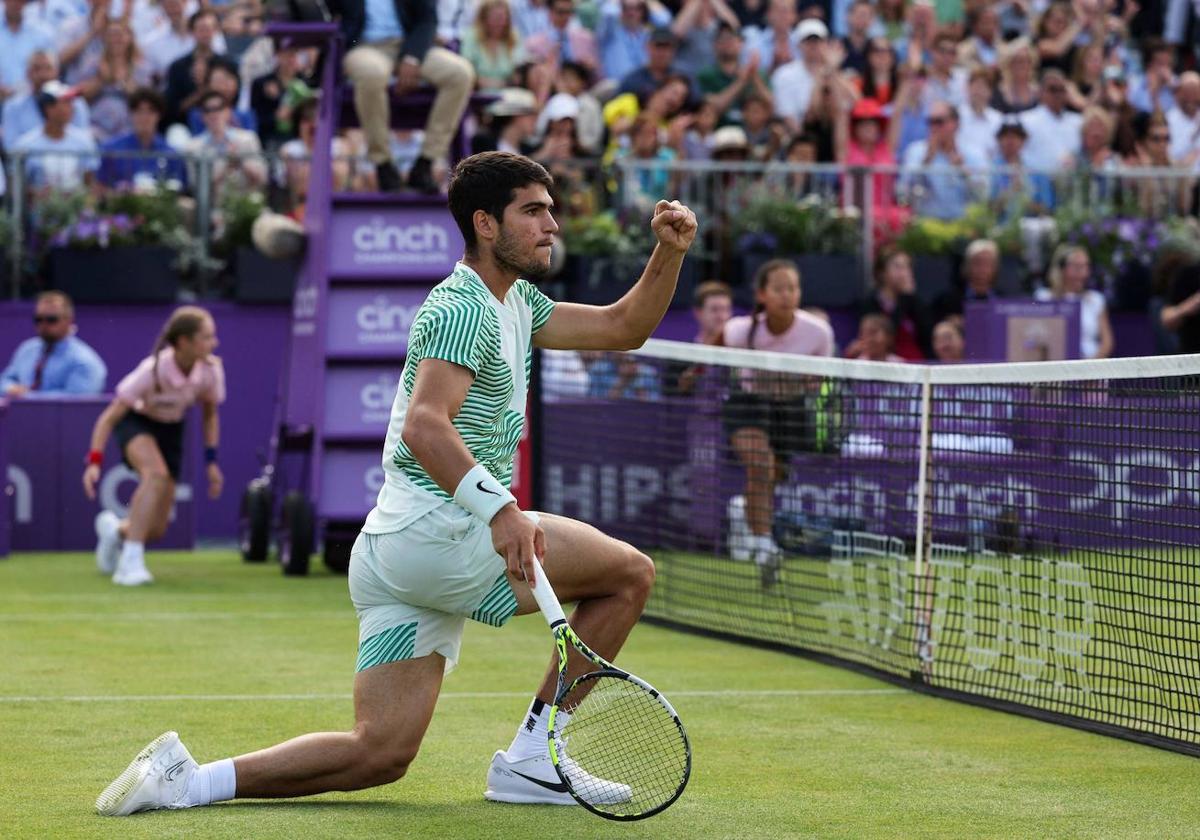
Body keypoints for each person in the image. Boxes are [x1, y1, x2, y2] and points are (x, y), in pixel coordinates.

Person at [93, 152, 698, 816]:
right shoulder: (464, 307)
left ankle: (189, 781)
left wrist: (668, 252)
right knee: (629, 574)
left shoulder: (518, 301)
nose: (551, 223)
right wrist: (500, 510)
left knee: (378, 753)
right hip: (445, 533)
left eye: (551, 209)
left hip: (392, 553)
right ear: (486, 225)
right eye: (533, 210)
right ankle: (533, 756)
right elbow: (425, 426)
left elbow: (624, 327)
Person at [82, 306, 225, 587]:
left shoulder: (211, 371)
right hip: (138, 424)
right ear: (184, 342)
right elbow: (108, 418)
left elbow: (209, 414)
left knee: (156, 529)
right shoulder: (152, 371)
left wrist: (211, 461)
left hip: (172, 431)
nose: (214, 343)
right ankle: (129, 565)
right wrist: (94, 462)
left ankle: (115, 532)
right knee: (155, 474)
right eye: (207, 337)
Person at [718, 258, 834, 588]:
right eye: (780, 289)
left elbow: (822, 381)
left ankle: (748, 516)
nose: (788, 295)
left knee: (772, 477)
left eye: (793, 288)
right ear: (763, 294)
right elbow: (712, 351)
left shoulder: (818, 333)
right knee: (761, 466)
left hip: (792, 409)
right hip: (749, 404)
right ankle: (764, 548)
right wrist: (691, 372)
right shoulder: (740, 330)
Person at [335, 0, 475, 193]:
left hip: (410, 45)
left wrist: (412, 57)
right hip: (363, 47)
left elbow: (427, 19)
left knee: (460, 74)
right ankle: (382, 164)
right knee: (371, 74)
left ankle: (426, 163)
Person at [0, 290, 106, 397]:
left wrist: (27, 396)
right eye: (38, 319)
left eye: (51, 319)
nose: (44, 324)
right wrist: (9, 388)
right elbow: (4, 381)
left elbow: (76, 403)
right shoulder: (26, 350)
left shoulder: (84, 361)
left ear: (69, 320)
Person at [97, 88, 188, 190]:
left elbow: (180, 190)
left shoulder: (171, 154)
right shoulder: (112, 150)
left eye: (150, 111)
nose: (144, 117)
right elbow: (100, 189)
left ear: (159, 115)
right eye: (139, 111)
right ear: (131, 114)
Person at [1035, 244, 1113, 359]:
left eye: (1086, 266)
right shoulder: (1044, 298)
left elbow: (1107, 342)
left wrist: (1090, 366)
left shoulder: (1095, 299)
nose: (1083, 273)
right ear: (1061, 268)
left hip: (1090, 367)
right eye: (1077, 267)